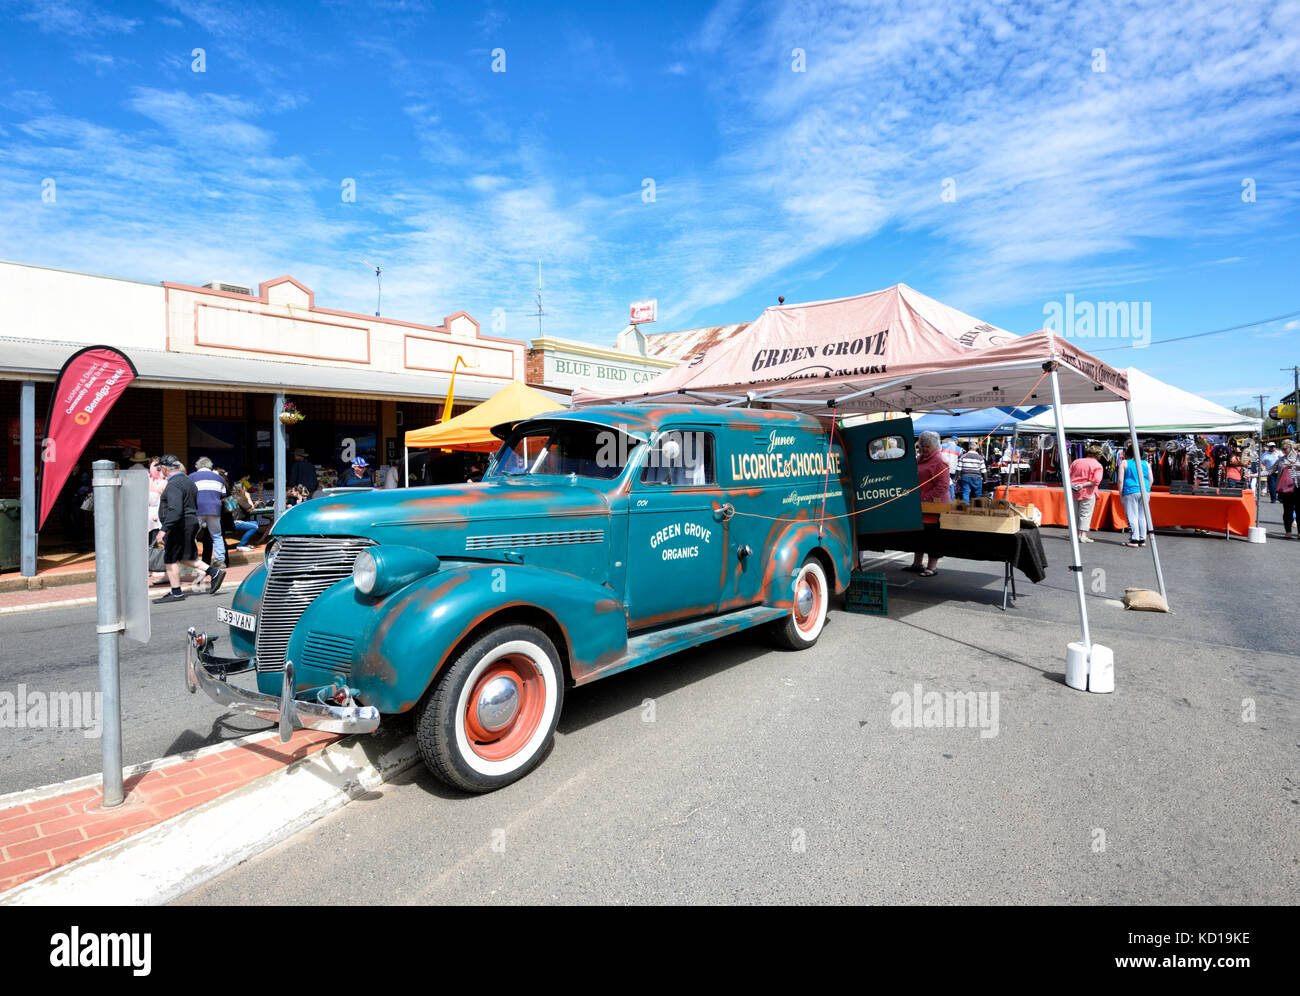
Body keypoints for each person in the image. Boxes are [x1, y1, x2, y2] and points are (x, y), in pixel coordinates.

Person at [156, 455, 225, 602]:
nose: (159, 470)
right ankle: (214, 572)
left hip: (179, 525)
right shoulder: (188, 481)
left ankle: (176, 592)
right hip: (189, 522)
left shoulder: (174, 484)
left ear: (164, 468)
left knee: (171, 558)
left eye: (160, 467)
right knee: (184, 556)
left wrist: (163, 529)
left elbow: (175, 509)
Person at [906, 430, 950, 577]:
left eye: (927, 446)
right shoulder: (919, 459)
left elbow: (943, 486)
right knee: (919, 535)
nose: (924, 449)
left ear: (935, 446)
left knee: (933, 538)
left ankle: (932, 567)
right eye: (922, 445)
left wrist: (925, 497)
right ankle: (917, 564)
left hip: (935, 506)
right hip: (920, 505)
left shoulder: (940, 461)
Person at [191, 456, 228, 568]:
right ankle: (220, 560)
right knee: (216, 535)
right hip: (214, 509)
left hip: (198, 509)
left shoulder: (191, 477)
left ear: (198, 466)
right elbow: (223, 496)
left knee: (192, 535)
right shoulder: (219, 478)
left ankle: (193, 559)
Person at [1119, 441, 1153, 548]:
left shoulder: (1124, 463)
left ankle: (1134, 539)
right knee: (1142, 516)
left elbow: (1120, 480)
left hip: (1130, 490)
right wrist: (1147, 489)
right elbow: (1151, 479)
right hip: (1144, 491)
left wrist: (1121, 493)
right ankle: (1142, 539)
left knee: (1132, 515)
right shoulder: (1146, 464)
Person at [1069, 444, 1104, 544]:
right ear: (1098, 455)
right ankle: (1082, 535)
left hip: (1073, 490)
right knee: (1085, 514)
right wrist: (1083, 484)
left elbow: (1068, 474)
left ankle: (1075, 535)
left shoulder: (1076, 461)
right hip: (1088, 491)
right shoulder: (1097, 465)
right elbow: (1096, 481)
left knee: (1074, 514)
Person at [1276, 439, 1300, 538]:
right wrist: (1253, 475)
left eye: (1285, 448)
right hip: (1286, 489)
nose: (1283, 450)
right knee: (1287, 511)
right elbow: (1269, 471)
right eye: (1282, 449)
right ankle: (1288, 531)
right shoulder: (1282, 460)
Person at [230, 482, 260, 550]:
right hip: (235, 522)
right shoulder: (238, 497)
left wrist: (254, 504)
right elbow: (251, 509)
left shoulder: (233, 496)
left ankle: (245, 543)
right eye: (244, 489)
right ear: (240, 490)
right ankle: (241, 545)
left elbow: (247, 508)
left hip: (230, 522)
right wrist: (248, 496)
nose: (245, 491)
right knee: (254, 527)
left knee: (254, 523)